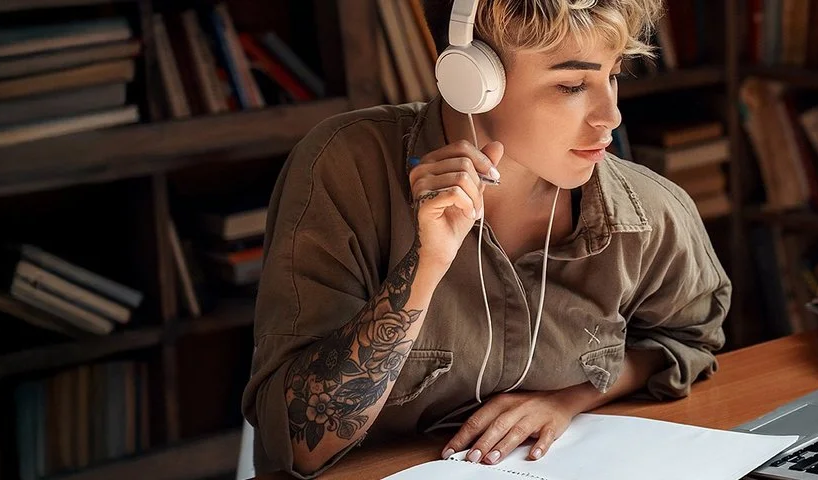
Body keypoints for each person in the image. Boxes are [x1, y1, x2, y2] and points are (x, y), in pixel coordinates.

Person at [239, 0, 731, 477]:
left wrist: (568, 400)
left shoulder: (648, 212)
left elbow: (688, 341)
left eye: (614, 75)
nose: (610, 115)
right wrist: (425, 265)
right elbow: (298, 443)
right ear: (473, 81)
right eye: (572, 84)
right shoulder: (345, 166)